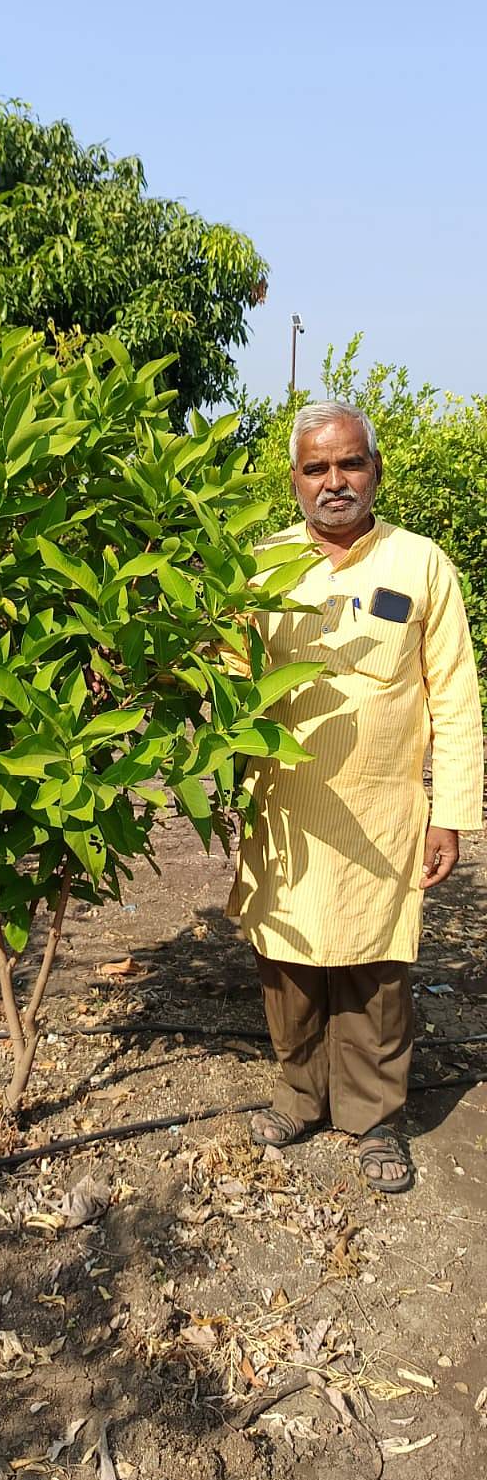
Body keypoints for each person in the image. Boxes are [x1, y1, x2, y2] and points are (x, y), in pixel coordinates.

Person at [227, 400, 484, 1192]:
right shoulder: (263, 565)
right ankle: (300, 1096)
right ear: (294, 480)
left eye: (350, 463)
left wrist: (452, 815)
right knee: (290, 963)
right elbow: (226, 674)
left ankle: (374, 1119)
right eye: (317, 468)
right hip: (287, 807)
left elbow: (456, 697)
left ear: (376, 469)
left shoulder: (421, 564)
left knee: (376, 965)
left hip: (382, 810)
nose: (334, 481)